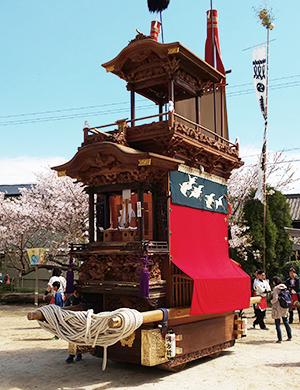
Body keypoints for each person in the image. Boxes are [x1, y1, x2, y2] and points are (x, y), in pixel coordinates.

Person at [270, 276, 292, 343]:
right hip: (285, 305)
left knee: (277, 322)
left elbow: (275, 299)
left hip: (277, 307)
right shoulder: (284, 287)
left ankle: (280, 338)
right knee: (285, 321)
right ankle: (289, 336)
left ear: (274, 282)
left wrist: (271, 301)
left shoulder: (276, 288)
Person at [65, 285, 82, 363]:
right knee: (72, 338)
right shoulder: (70, 299)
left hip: (80, 321)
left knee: (80, 337)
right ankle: (71, 355)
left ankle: (79, 354)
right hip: (72, 321)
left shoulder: (82, 299)